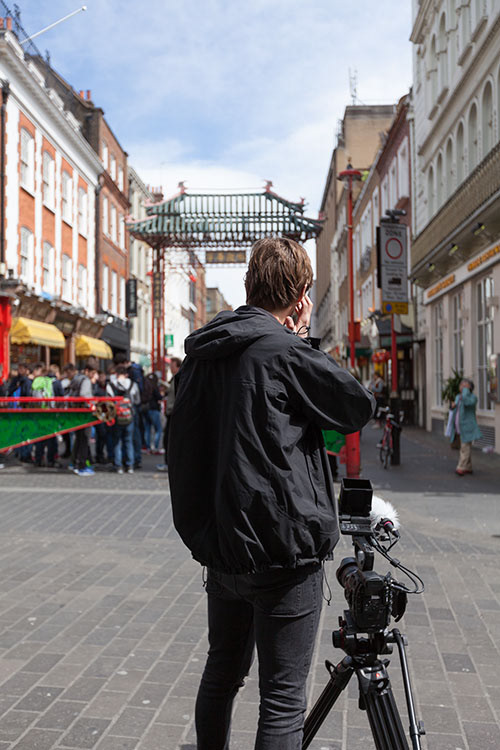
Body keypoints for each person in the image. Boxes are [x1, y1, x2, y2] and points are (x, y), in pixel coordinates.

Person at [168, 237, 375, 749]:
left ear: (250, 285)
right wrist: (301, 340)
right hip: (284, 552)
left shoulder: (202, 353)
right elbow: (356, 406)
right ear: (301, 295)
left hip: (223, 548)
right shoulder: (284, 350)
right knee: (282, 699)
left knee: (221, 673)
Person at [63, 361, 98, 476]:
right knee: (84, 439)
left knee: (79, 438)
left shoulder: (76, 378)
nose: (94, 376)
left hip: (75, 412)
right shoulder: (85, 380)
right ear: (87, 371)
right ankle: (81, 466)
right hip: (84, 413)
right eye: (93, 373)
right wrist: (92, 402)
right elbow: (84, 394)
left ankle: (74, 463)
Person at [107, 364, 140, 474]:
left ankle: (119, 466)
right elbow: (137, 400)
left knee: (117, 441)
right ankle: (130, 465)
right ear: (126, 374)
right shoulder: (133, 384)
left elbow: (108, 401)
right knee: (128, 440)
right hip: (129, 416)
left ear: (116, 374)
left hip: (117, 416)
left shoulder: (111, 385)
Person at [449, 378, 482, 476]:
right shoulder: (458, 397)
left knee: (465, 448)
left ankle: (461, 467)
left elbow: (467, 402)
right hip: (458, 427)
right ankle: (468, 467)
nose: (462, 387)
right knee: (465, 447)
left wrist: (465, 392)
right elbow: (454, 409)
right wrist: (452, 406)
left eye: (465, 385)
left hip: (467, 427)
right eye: (461, 385)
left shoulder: (473, 398)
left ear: (470, 388)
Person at [156, 357, 182, 472]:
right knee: (168, 439)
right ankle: (169, 463)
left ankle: (170, 463)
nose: (170, 368)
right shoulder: (174, 378)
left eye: (172, 366)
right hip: (171, 412)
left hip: (174, 412)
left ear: (177, 367)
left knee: (169, 440)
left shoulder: (180, 377)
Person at [31, 363, 58, 468]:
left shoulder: (36, 382)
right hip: (49, 412)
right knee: (51, 438)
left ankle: (38, 460)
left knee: (39, 437)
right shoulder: (48, 381)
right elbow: (53, 396)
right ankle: (50, 460)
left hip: (39, 412)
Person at [142, 373, 163, 453]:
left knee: (147, 429)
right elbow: (159, 397)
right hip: (154, 408)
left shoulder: (145, 386)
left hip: (145, 409)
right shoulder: (154, 387)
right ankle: (156, 447)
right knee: (158, 429)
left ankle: (148, 447)